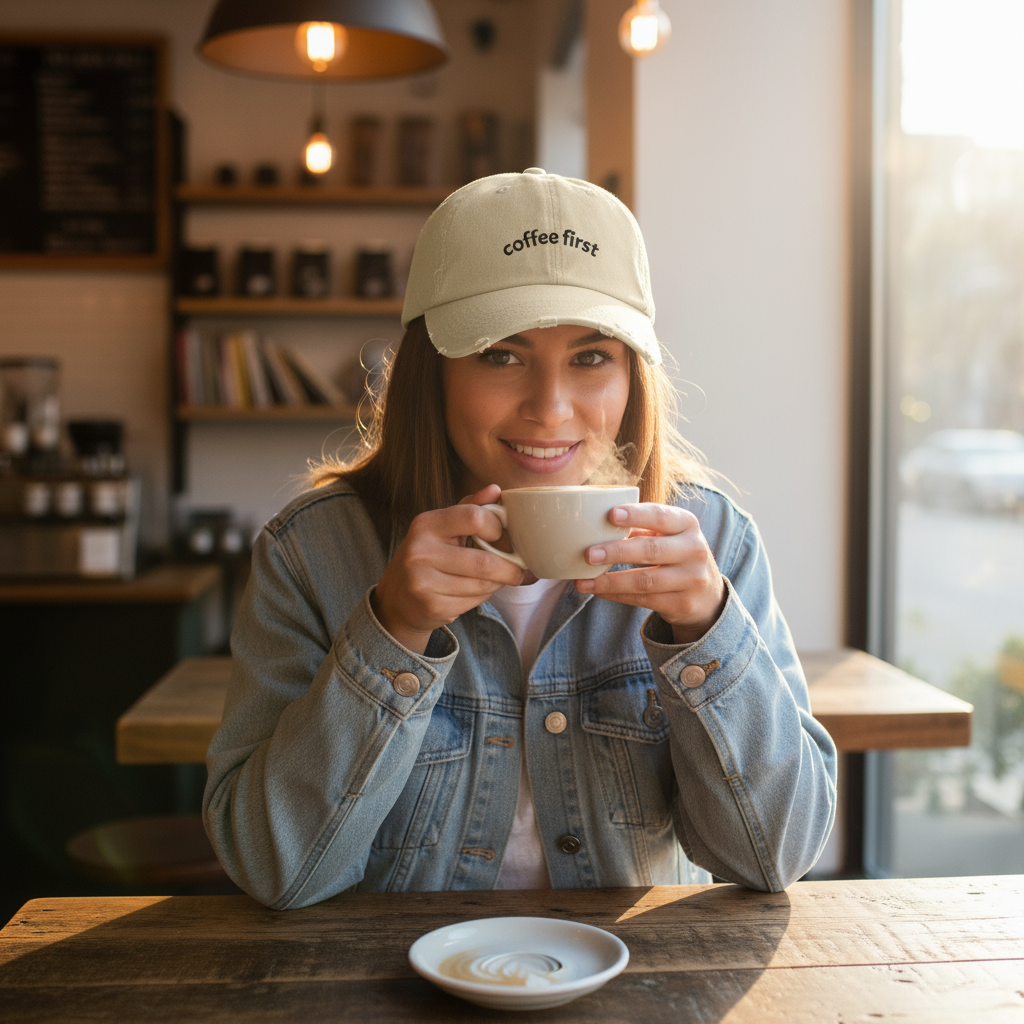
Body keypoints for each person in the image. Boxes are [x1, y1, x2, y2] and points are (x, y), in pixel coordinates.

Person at [203, 168, 837, 910]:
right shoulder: (311, 553)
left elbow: (776, 857)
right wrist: (393, 632)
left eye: (591, 356)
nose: (550, 407)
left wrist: (706, 632)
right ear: (430, 371)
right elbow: (274, 869)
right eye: (501, 354)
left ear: (634, 375)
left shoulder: (714, 542)